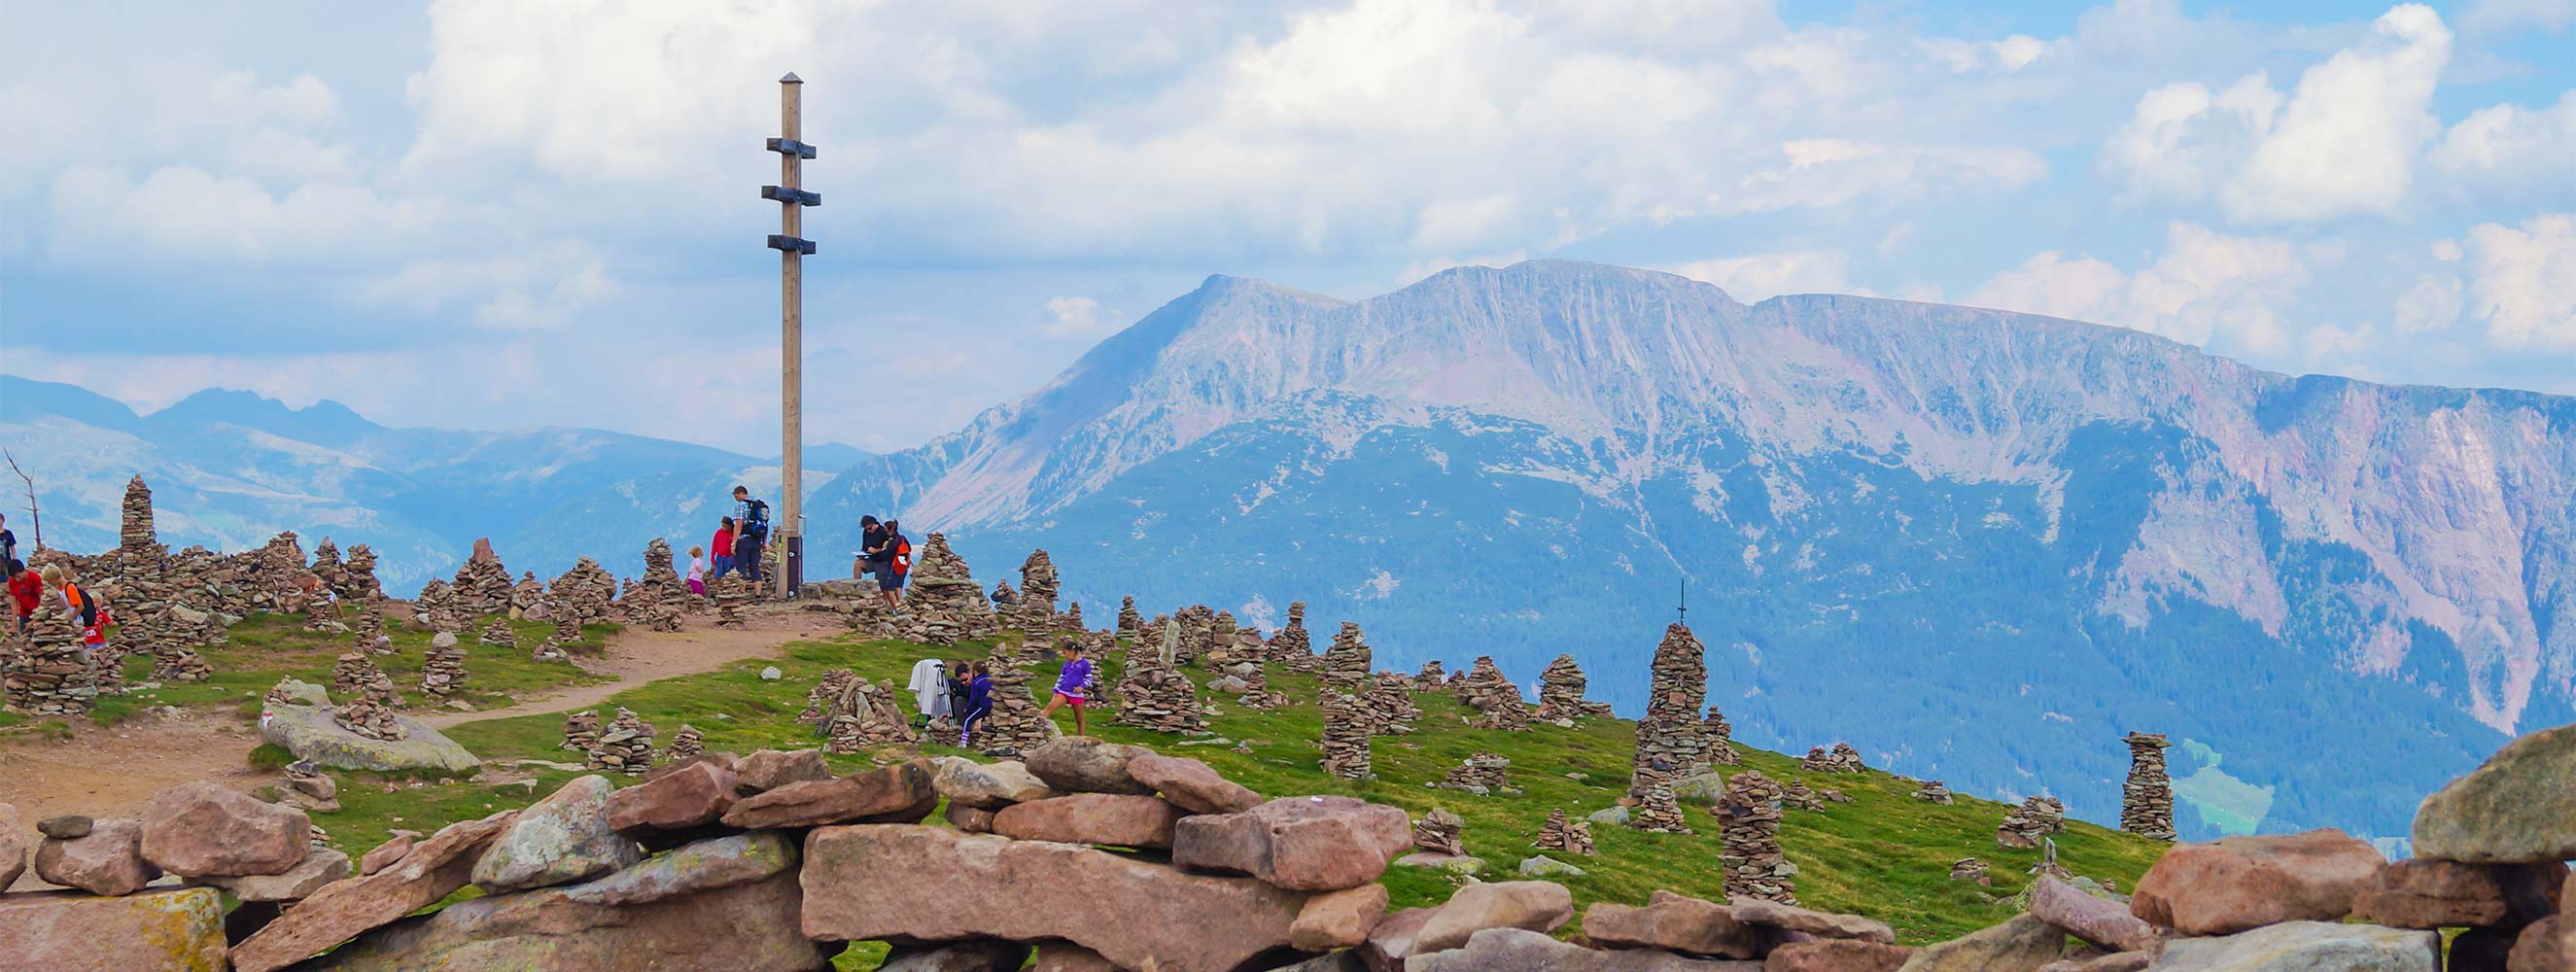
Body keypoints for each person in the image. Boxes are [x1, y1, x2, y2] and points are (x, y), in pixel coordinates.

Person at [1039, 640, 1091, 736]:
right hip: (1064, 692)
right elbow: (1061, 678)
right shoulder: (1066, 664)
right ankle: (1038, 730)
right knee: (1048, 709)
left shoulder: (1084, 664)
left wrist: (1082, 687)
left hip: (1077, 695)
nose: (1064, 655)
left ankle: (1081, 739)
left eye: (1065, 653)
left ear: (1072, 651)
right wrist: (1055, 689)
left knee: (1079, 719)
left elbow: (1089, 678)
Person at [731, 486, 769, 585]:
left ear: (740, 493)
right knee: (755, 568)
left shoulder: (741, 505)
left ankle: (741, 593)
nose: (736, 499)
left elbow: (738, 525)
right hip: (757, 540)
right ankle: (758, 595)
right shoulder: (759, 505)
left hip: (744, 540)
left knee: (741, 567)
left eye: (736, 496)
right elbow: (765, 525)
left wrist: (733, 543)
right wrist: (764, 543)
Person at [874, 518, 912, 610]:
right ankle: (902, 606)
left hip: (895, 567)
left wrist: (882, 548)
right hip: (904, 565)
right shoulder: (903, 538)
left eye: (886, 529)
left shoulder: (892, 542)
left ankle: (897, 609)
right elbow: (909, 548)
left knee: (889, 589)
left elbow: (885, 556)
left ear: (890, 530)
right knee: (898, 588)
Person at [957, 661, 993, 747]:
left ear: (975, 671)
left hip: (984, 705)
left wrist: (968, 709)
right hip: (994, 705)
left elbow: (973, 699)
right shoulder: (990, 679)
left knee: (968, 720)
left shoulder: (976, 682)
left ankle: (963, 742)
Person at [7, 559, 39, 634]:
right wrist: (13, 625)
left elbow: (42, 599)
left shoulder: (34, 577)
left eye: (18, 576)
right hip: (24, 613)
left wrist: (36, 619)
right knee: (25, 637)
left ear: (23, 571)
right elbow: (14, 603)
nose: (17, 580)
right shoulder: (11, 581)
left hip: (36, 613)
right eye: (14, 577)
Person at [856, 515, 885, 582]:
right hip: (872, 560)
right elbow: (864, 547)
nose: (868, 531)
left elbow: (888, 549)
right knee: (857, 563)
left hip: (883, 562)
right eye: (866, 529)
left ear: (875, 524)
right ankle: (856, 585)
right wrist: (862, 555)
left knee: (880, 585)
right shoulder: (866, 532)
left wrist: (876, 550)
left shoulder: (883, 532)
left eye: (870, 528)